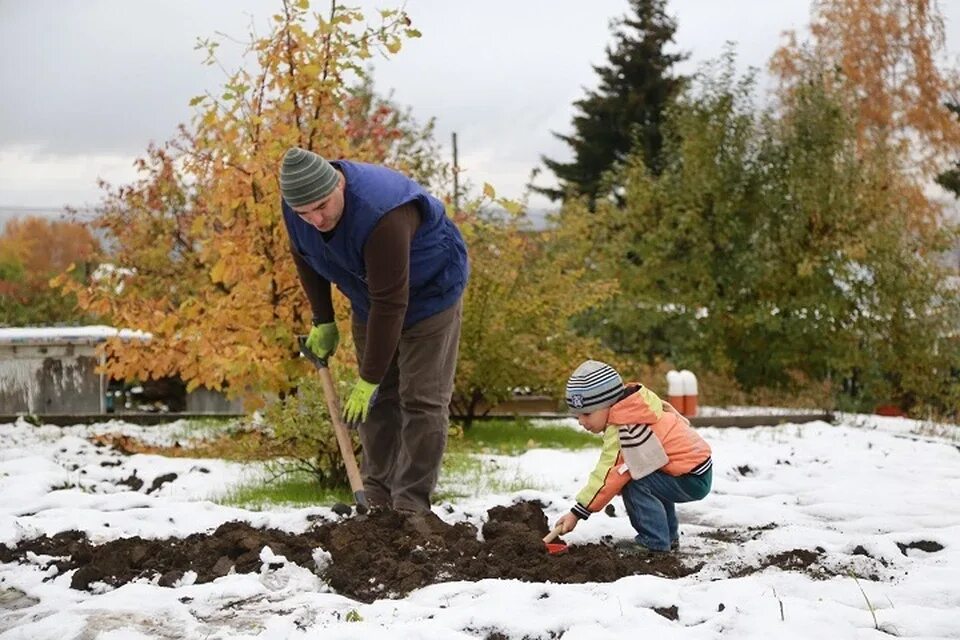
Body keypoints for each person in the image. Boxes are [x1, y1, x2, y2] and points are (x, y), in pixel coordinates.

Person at [279, 147, 468, 515]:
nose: (315, 219)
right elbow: (304, 254)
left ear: (339, 184)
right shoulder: (297, 208)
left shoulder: (383, 214)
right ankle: (376, 494)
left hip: (431, 293)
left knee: (422, 399)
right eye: (305, 213)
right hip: (370, 296)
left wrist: (368, 378)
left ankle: (410, 503)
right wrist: (323, 319)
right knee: (380, 400)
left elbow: (393, 303)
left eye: (322, 206)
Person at [553, 360, 712, 553]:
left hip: (690, 476)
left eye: (586, 413)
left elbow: (608, 474)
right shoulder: (637, 407)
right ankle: (667, 538)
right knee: (650, 479)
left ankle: (654, 543)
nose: (581, 421)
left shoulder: (624, 427)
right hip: (696, 470)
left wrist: (577, 512)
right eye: (577, 415)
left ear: (608, 404)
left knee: (635, 480)